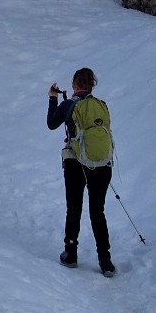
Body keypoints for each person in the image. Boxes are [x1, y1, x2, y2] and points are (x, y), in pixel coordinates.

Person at [47, 67, 116, 277]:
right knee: (98, 211)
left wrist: (52, 99)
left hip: (75, 162)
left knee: (74, 207)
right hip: (102, 163)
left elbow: (51, 124)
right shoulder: (101, 105)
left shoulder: (69, 104)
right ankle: (105, 260)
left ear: (75, 85)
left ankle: (70, 253)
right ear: (92, 85)